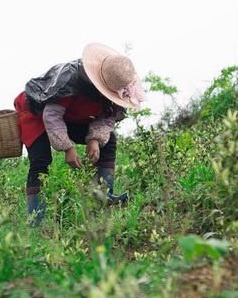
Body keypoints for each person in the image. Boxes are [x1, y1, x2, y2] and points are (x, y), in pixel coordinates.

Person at [13, 43, 145, 226]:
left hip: (70, 116)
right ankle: (36, 219)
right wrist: (67, 147)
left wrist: (94, 140)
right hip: (36, 111)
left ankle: (103, 197)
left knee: (109, 141)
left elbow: (107, 117)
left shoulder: (118, 87)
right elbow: (51, 114)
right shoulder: (71, 79)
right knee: (41, 160)